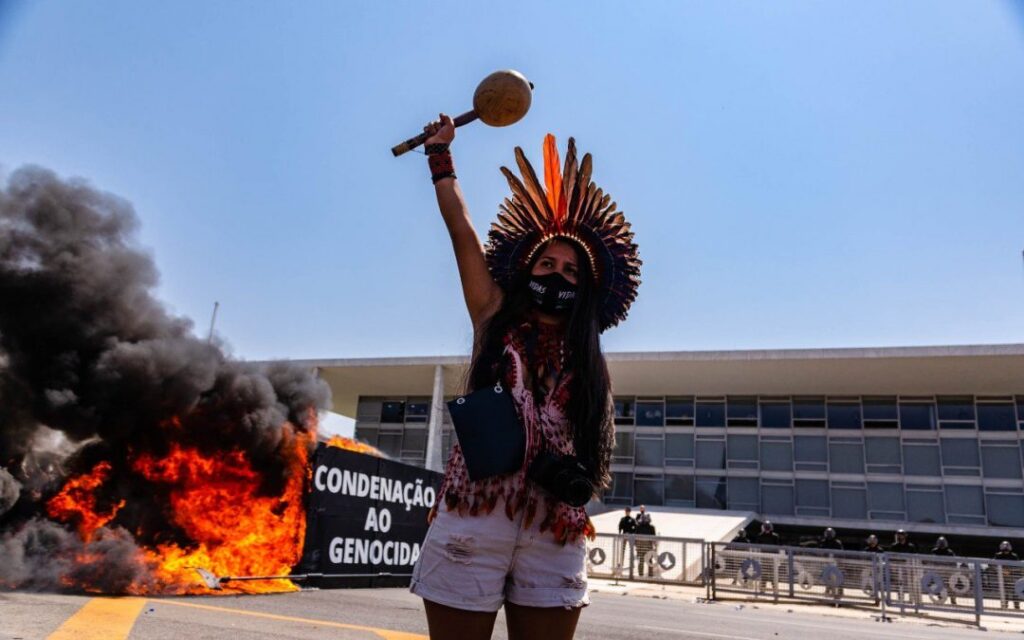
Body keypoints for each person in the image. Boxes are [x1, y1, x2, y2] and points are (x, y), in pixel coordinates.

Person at [408, 116, 641, 640]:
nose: (556, 274)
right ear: (526, 268)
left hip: (554, 529)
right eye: (547, 263)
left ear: (583, 290)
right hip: (474, 517)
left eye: (571, 271)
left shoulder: (589, 358)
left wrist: (577, 477)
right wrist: (440, 158)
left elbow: (589, 445)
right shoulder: (492, 315)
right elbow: (462, 231)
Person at [994, 541, 1021, 609]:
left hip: (1012, 576)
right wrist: (1002, 571)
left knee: (1014, 591)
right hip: (1002, 576)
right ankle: (1004, 606)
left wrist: (1010, 571)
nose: (1006, 551)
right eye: (1004, 550)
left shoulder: (1014, 556)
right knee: (1004, 591)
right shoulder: (998, 555)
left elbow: (1018, 566)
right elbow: (993, 565)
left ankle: (1016, 606)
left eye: (1007, 550)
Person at [616, 507, 637, 573]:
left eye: (628, 511)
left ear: (630, 512)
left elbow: (635, 527)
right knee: (623, 550)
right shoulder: (623, 519)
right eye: (626, 511)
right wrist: (620, 534)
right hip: (624, 536)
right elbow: (620, 527)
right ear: (625, 511)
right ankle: (621, 563)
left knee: (631, 550)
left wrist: (633, 534)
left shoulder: (632, 519)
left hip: (630, 536)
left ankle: (632, 563)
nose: (627, 512)